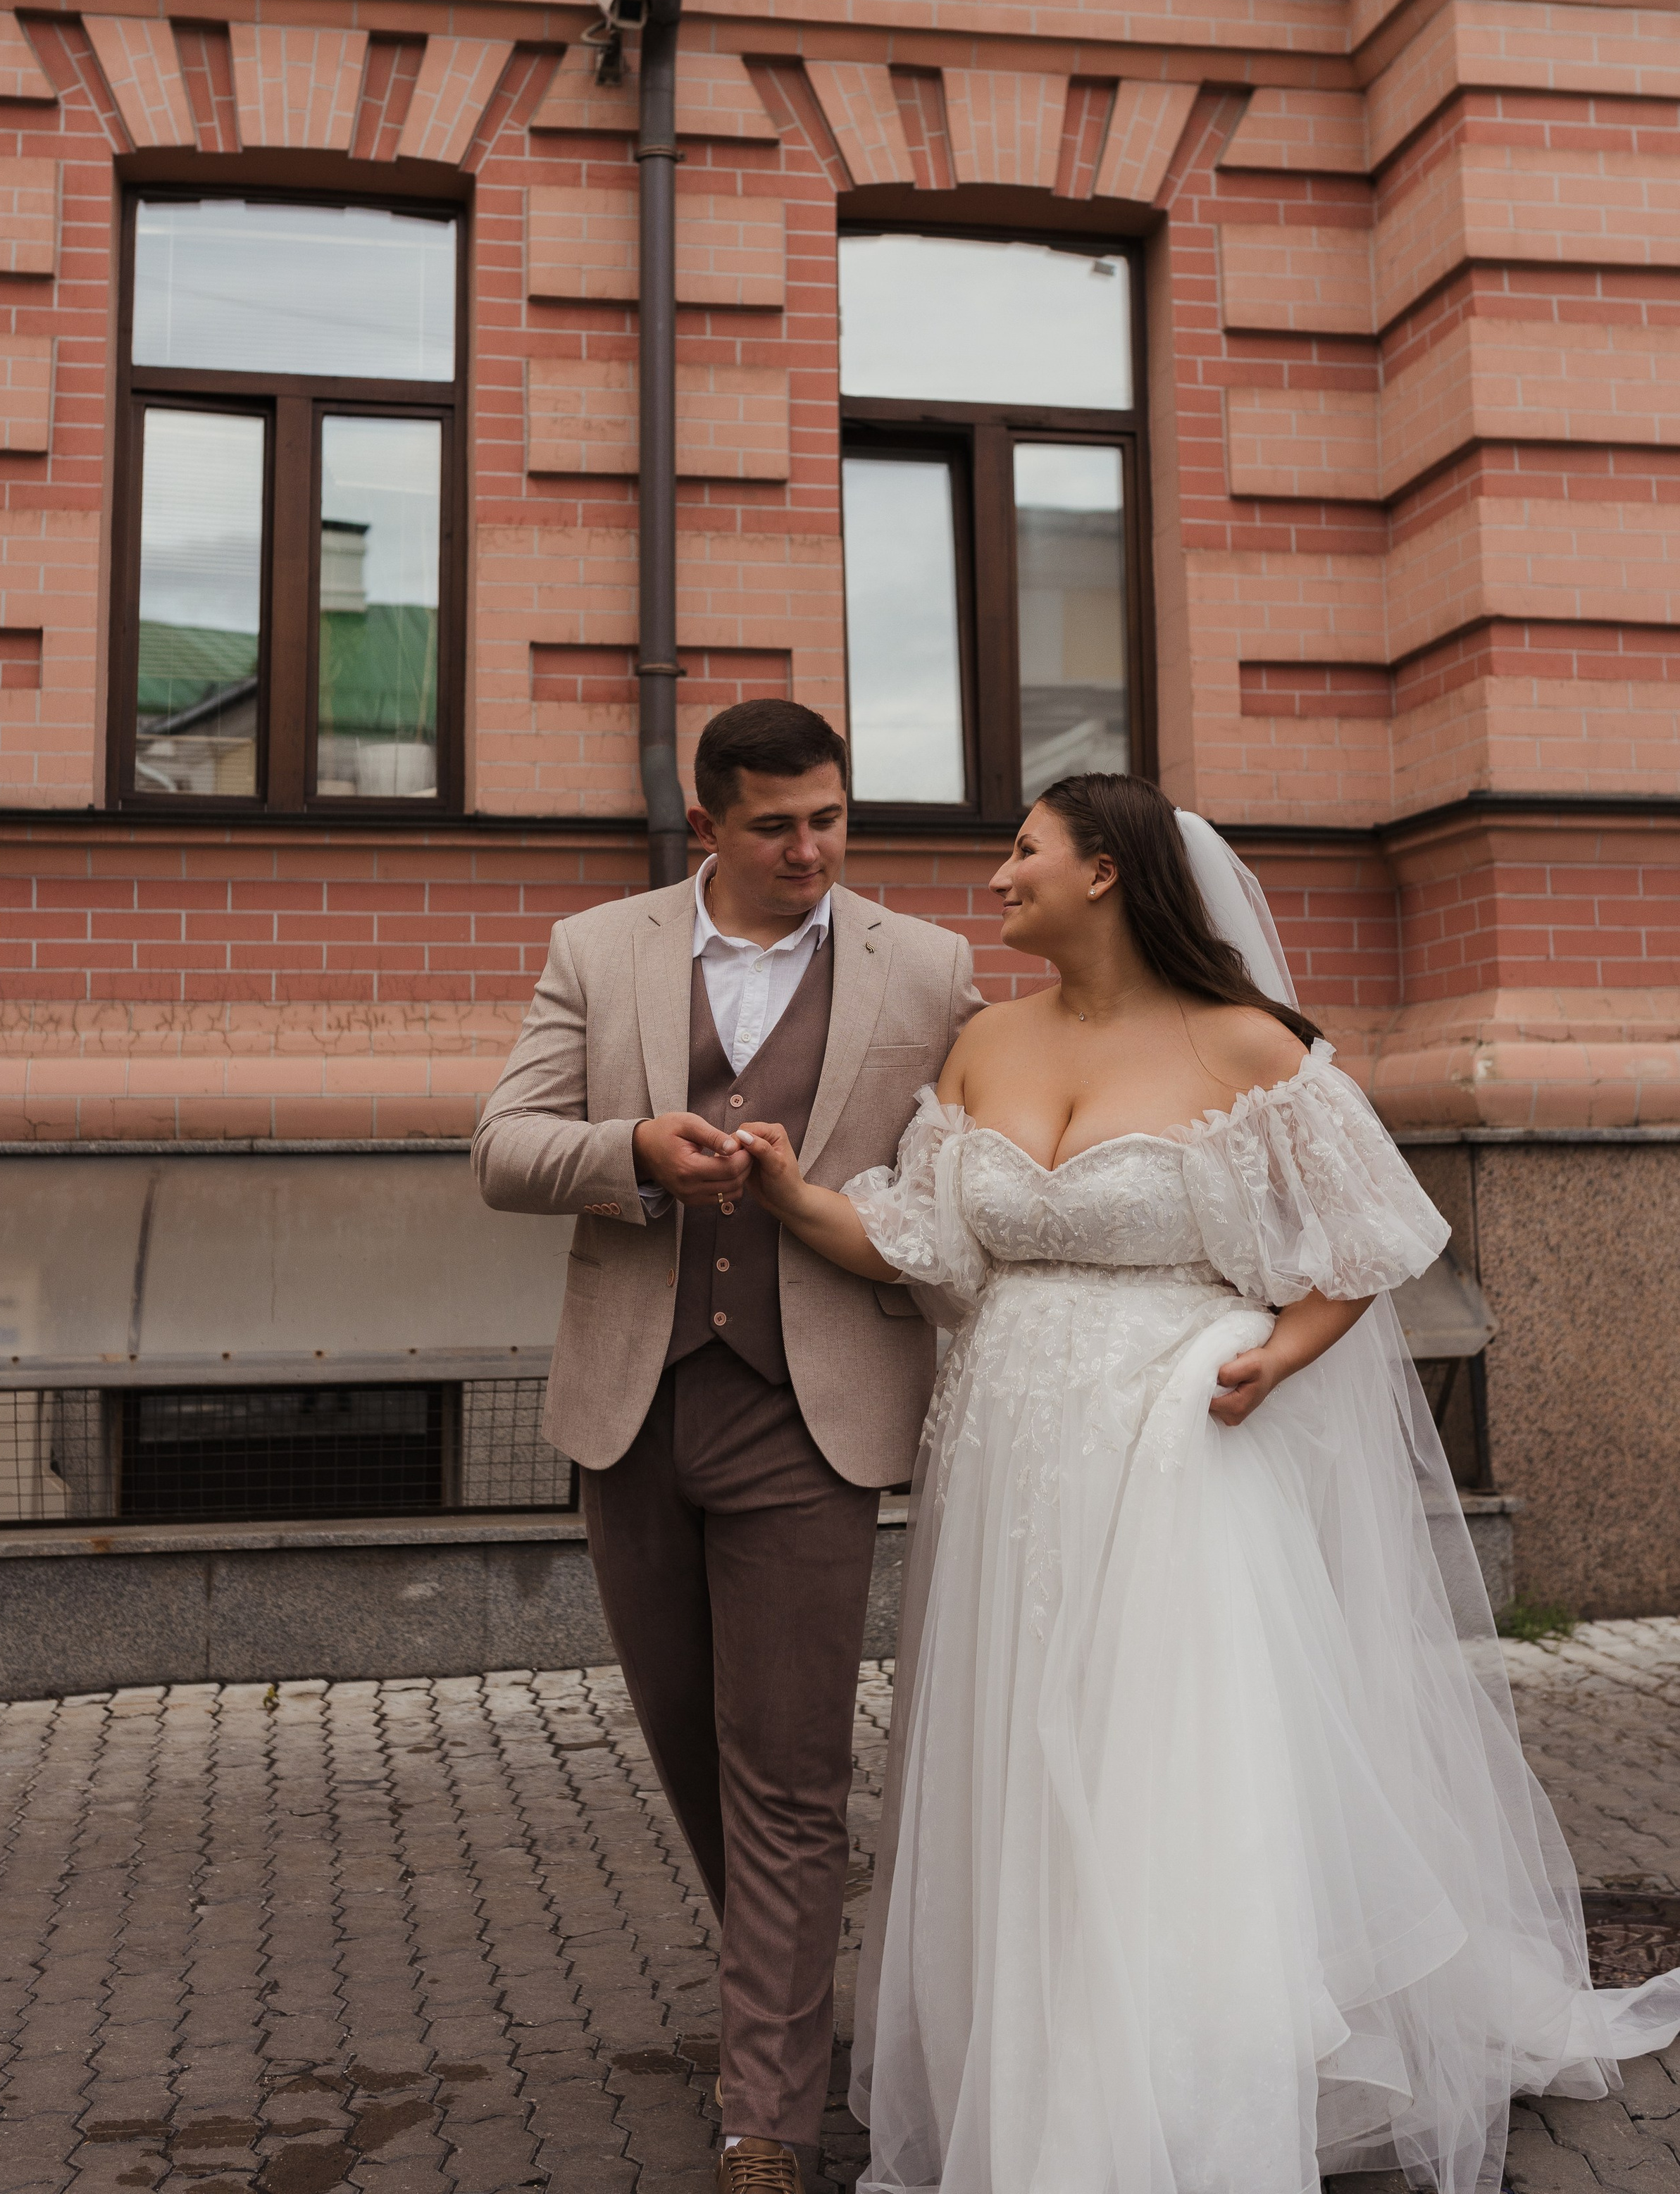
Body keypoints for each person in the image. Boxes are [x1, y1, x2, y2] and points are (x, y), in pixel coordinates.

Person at [733, 771, 1680, 2194]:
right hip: (1006, 1460)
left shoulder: (1247, 1045)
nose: (995, 878)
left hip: (1174, 1444)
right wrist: (798, 1198)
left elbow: (1368, 1237)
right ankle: (1043, 2051)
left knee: (1160, 1760)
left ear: (1103, 871)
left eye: (1022, 850)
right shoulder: (986, 1042)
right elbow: (932, 1240)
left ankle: (1178, 2088)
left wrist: (1276, 1355)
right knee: (1023, 1756)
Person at [473, 699, 983, 2194]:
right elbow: (501, 1145)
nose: (810, 849)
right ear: (707, 825)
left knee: (790, 1772)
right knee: (695, 1746)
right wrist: (631, 1150)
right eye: (775, 825)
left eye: (829, 817)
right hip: (630, 1404)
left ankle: (767, 2108)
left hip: (809, 1410)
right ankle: (790, 1986)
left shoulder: (928, 968)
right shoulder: (600, 947)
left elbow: (965, 1165)